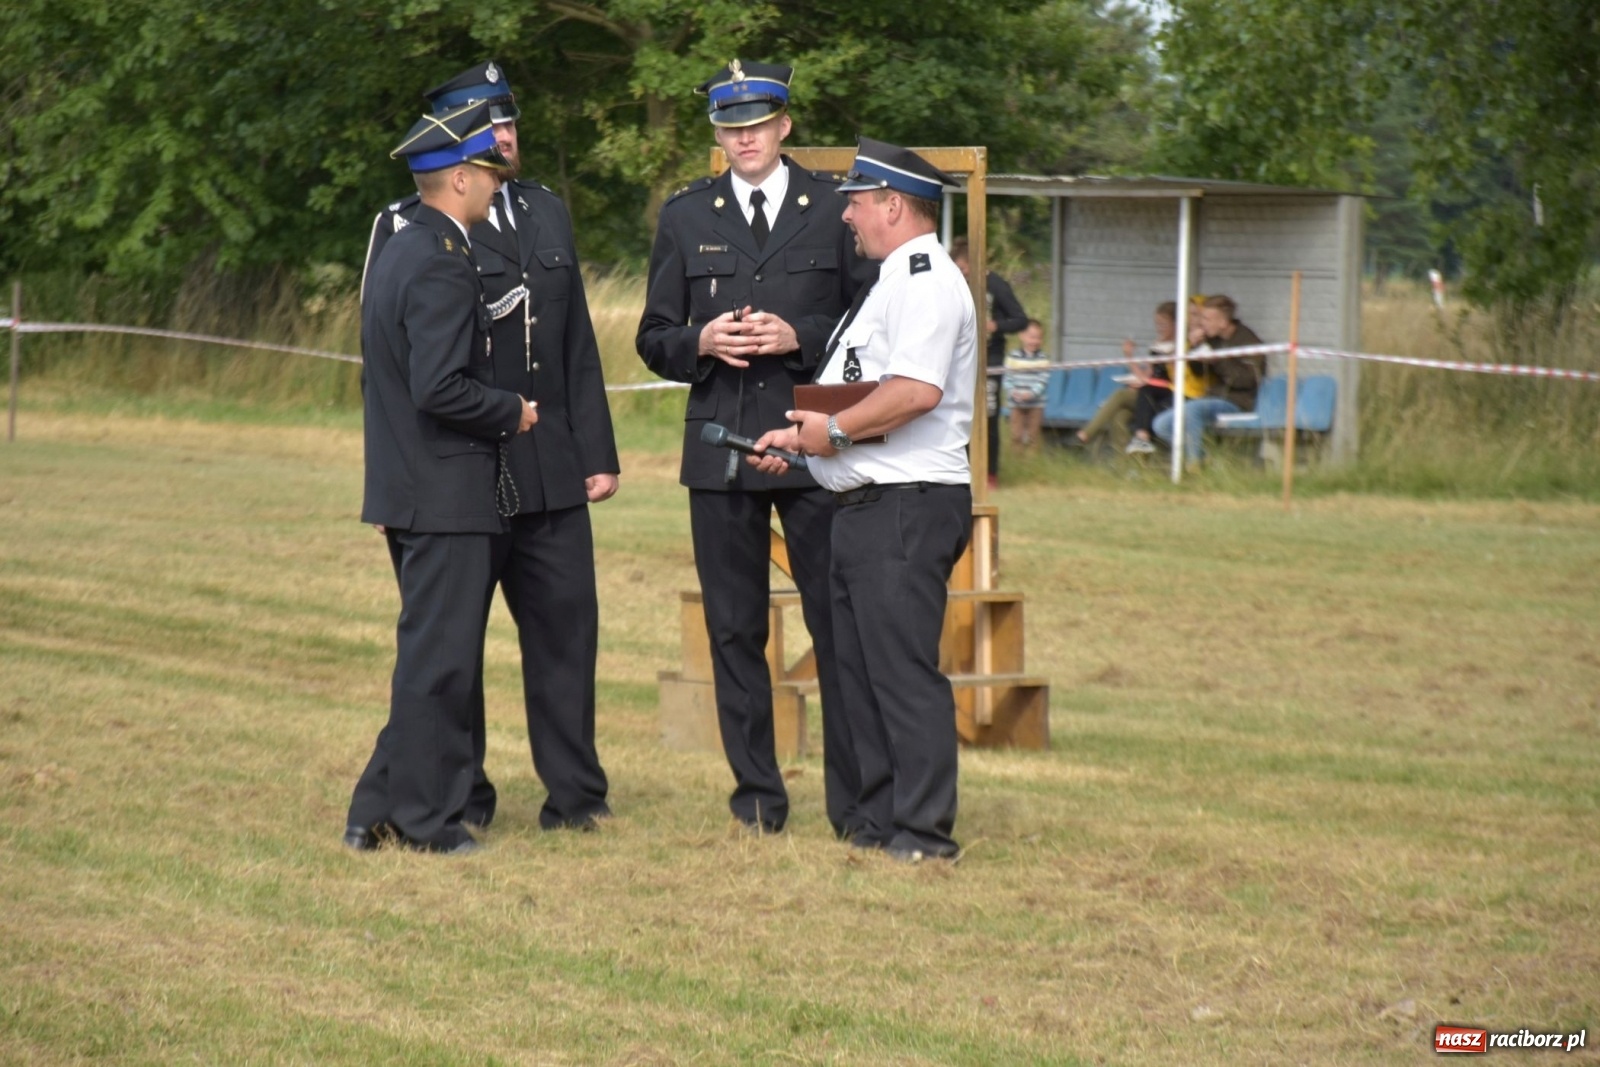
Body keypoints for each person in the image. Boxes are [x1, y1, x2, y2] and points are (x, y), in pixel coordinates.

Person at [362, 62, 620, 832]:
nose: (503, 136)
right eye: (486, 125)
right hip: (460, 467)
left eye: (507, 120)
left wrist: (596, 451)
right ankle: (457, 794)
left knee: (567, 631)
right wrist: (393, 482)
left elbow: (574, 344)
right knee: (451, 646)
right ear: (457, 148)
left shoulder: (545, 210)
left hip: (546, 461)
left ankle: (576, 796)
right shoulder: (408, 228)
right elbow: (388, 371)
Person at [635, 59, 874, 837]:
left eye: (758, 126)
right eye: (730, 129)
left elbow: (871, 323)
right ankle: (758, 798)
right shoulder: (685, 216)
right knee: (735, 628)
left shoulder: (832, 209)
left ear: (784, 126)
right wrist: (699, 341)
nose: (744, 140)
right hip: (723, 447)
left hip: (814, 446)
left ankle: (855, 801)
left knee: (835, 623)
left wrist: (800, 336)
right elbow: (653, 337)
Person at [748, 138, 977, 863]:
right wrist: (801, 440)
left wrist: (835, 433)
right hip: (866, 502)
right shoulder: (890, 281)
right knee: (861, 673)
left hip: (906, 502)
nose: (845, 215)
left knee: (900, 672)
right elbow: (863, 386)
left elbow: (915, 392)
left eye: (855, 203)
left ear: (892, 204)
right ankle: (879, 822)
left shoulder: (927, 280)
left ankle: (924, 832)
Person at [344, 100, 538, 854]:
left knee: (428, 656)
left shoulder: (401, 248)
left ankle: (373, 810)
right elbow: (438, 388)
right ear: (459, 178)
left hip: (412, 486)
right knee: (441, 665)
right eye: (488, 172)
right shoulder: (441, 261)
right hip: (447, 493)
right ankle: (426, 822)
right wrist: (512, 410)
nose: (496, 183)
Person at [949, 237, 1027, 487]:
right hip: (962, 361)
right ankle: (964, 471)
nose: (962, 273)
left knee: (989, 417)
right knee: (962, 415)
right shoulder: (955, 286)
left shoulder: (997, 285)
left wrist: (995, 326)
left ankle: (990, 474)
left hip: (991, 360)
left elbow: (1020, 319)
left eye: (963, 268)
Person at [1151, 294, 1264, 463]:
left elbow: (1247, 381)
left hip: (1238, 402)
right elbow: (1199, 374)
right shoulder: (1213, 340)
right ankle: (1203, 458)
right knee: (1161, 424)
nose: (1202, 323)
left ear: (1223, 322)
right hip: (1212, 397)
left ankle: (1195, 464)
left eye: (1207, 319)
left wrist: (1217, 360)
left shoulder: (1249, 341)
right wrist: (1195, 347)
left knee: (1192, 411)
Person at [1002, 319, 1050, 451]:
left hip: (1036, 404)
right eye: (1032, 337)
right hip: (1016, 403)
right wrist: (1012, 392)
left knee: (1033, 435)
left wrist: (1032, 394)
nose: (1035, 341)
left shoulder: (1043, 358)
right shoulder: (1013, 356)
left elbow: (1043, 379)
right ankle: (1017, 458)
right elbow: (1007, 377)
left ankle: (1032, 459)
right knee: (1016, 435)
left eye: (1038, 338)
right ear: (1022, 336)